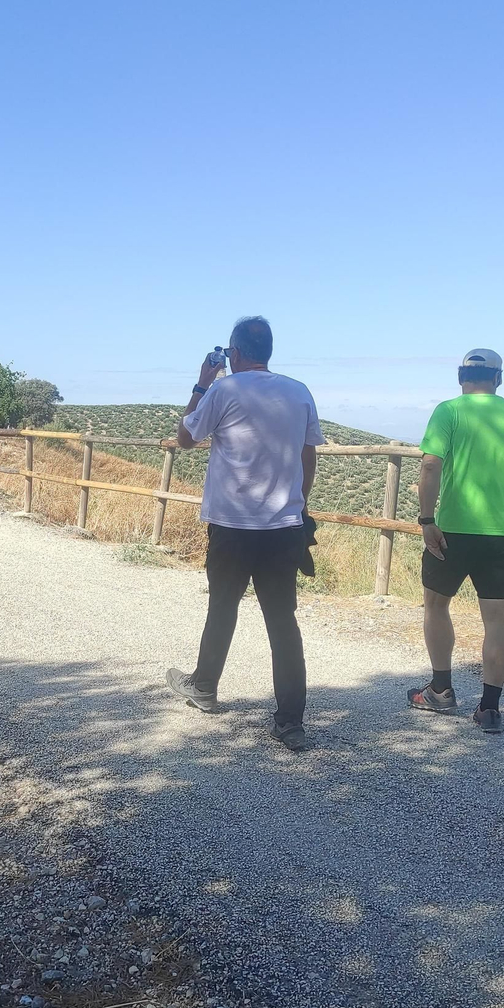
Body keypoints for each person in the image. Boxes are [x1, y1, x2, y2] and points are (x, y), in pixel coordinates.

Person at [164, 317, 325, 751]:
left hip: (232, 525)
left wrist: (201, 382)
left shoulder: (223, 389)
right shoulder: (299, 391)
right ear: (268, 350)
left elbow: (184, 439)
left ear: (233, 354)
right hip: (283, 526)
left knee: (222, 608)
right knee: (282, 622)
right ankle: (290, 721)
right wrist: (299, 502)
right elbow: (308, 457)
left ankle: (204, 686)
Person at [407, 349, 504, 733]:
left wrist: (427, 519)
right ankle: (490, 708)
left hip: (451, 529)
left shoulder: (448, 411)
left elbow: (430, 464)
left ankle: (441, 690)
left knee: (436, 606)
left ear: (460, 376)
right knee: (497, 619)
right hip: (503, 532)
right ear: (499, 378)